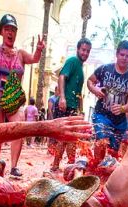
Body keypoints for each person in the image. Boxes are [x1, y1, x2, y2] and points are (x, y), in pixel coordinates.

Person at [0, 14, 46, 178]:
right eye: (7, 29)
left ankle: (14, 167)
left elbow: (34, 59)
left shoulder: (21, 54)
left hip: (13, 99)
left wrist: (38, 49)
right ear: (1, 31)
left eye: (13, 30)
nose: (10, 33)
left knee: (18, 130)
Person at [87, 40, 128, 167]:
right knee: (101, 141)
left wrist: (123, 108)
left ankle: (107, 176)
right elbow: (89, 81)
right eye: (122, 54)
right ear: (117, 54)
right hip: (101, 114)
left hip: (120, 120)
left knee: (113, 152)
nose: (124, 58)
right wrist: (96, 89)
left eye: (127, 56)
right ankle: (96, 170)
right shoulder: (104, 69)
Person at [48, 39, 92, 172]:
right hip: (65, 105)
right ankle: (61, 165)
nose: (85, 53)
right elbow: (62, 77)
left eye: (88, 51)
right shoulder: (72, 61)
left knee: (70, 137)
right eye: (83, 50)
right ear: (78, 49)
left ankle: (66, 164)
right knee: (66, 136)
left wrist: (80, 110)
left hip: (73, 107)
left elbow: (78, 93)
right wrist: (62, 97)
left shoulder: (80, 67)